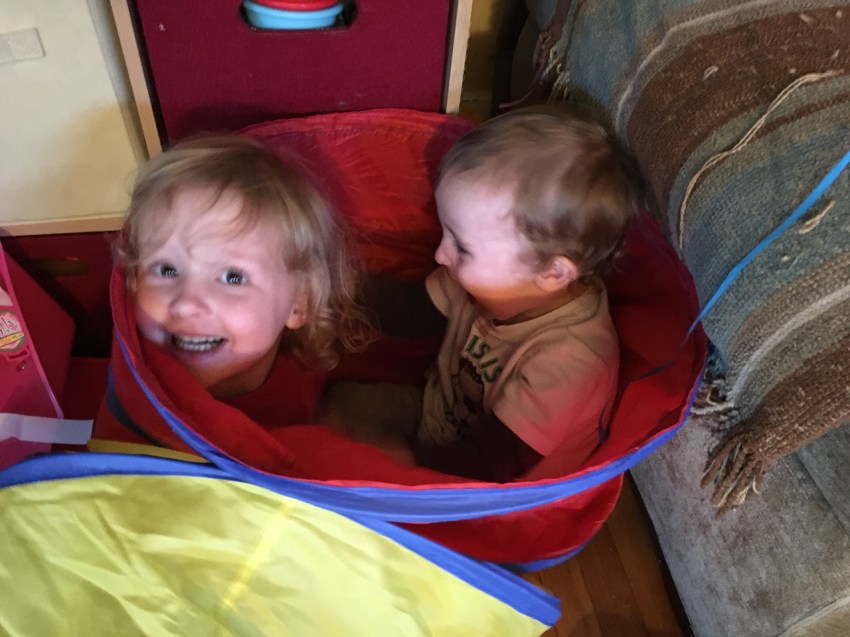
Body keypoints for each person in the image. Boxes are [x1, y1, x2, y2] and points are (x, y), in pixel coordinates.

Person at [325, 106, 640, 481]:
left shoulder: (569, 362)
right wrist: (329, 292)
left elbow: (490, 467)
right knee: (337, 408)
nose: (440, 255)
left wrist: (395, 466)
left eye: (461, 246)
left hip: (493, 493)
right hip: (435, 412)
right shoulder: (479, 280)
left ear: (551, 272)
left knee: (348, 465)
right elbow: (410, 310)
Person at [115, 135, 369, 424]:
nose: (186, 303)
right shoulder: (137, 389)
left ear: (300, 303)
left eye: (232, 277)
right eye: (167, 270)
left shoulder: (304, 372)